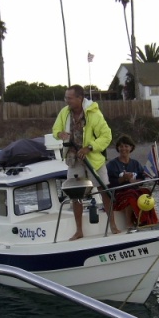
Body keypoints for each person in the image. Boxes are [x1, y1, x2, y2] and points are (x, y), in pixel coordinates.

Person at [52, 84, 118, 240]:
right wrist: (59, 133)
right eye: (65, 97)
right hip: (73, 159)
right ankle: (79, 230)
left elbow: (106, 136)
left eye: (69, 98)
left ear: (79, 98)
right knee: (75, 195)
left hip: (93, 159)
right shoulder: (64, 113)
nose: (66, 100)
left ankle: (113, 225)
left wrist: (89, 147)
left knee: (104, 190)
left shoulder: (94, 114)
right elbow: (55, 130)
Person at [106, 134, 159, 228]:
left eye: (126, 146)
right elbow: (109, 183)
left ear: (131, 148)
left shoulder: (135, 163)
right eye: (121, 146)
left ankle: (150, 221)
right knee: (130, 194)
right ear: (118, 148)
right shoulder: (112, 164)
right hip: (118, 195)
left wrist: (134, 181)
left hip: (134, 191)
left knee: (146, 193)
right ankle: (129, 223)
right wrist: (123, 179)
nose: (123, 149)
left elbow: (142, 179)